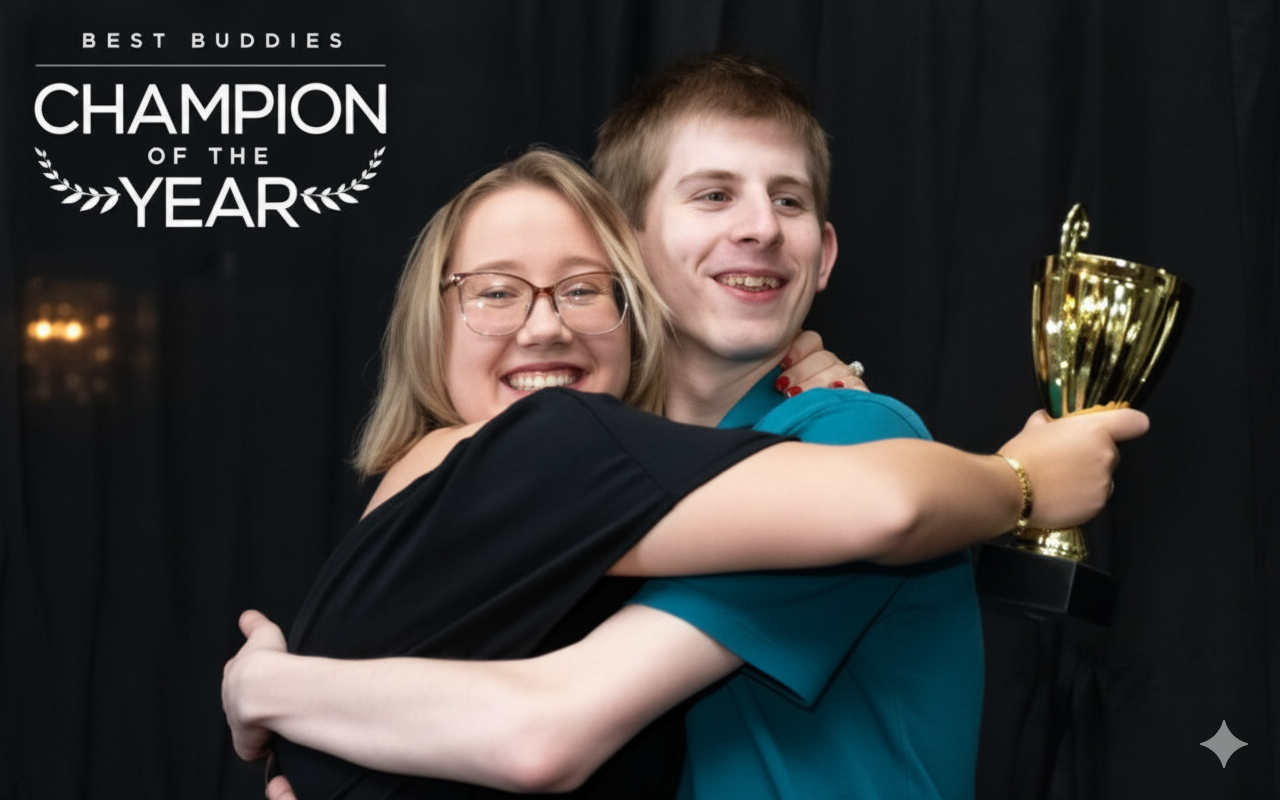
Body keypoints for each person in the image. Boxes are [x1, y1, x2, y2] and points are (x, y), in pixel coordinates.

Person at [223, 142, 1145, 798]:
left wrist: (276, 692)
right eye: (496, 291)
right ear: (431, 320)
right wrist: (1023, 480)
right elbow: (891, 500)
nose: (544, 324)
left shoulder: (488, 490)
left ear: (639, 309)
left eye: (583, 289)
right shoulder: (548, 443)